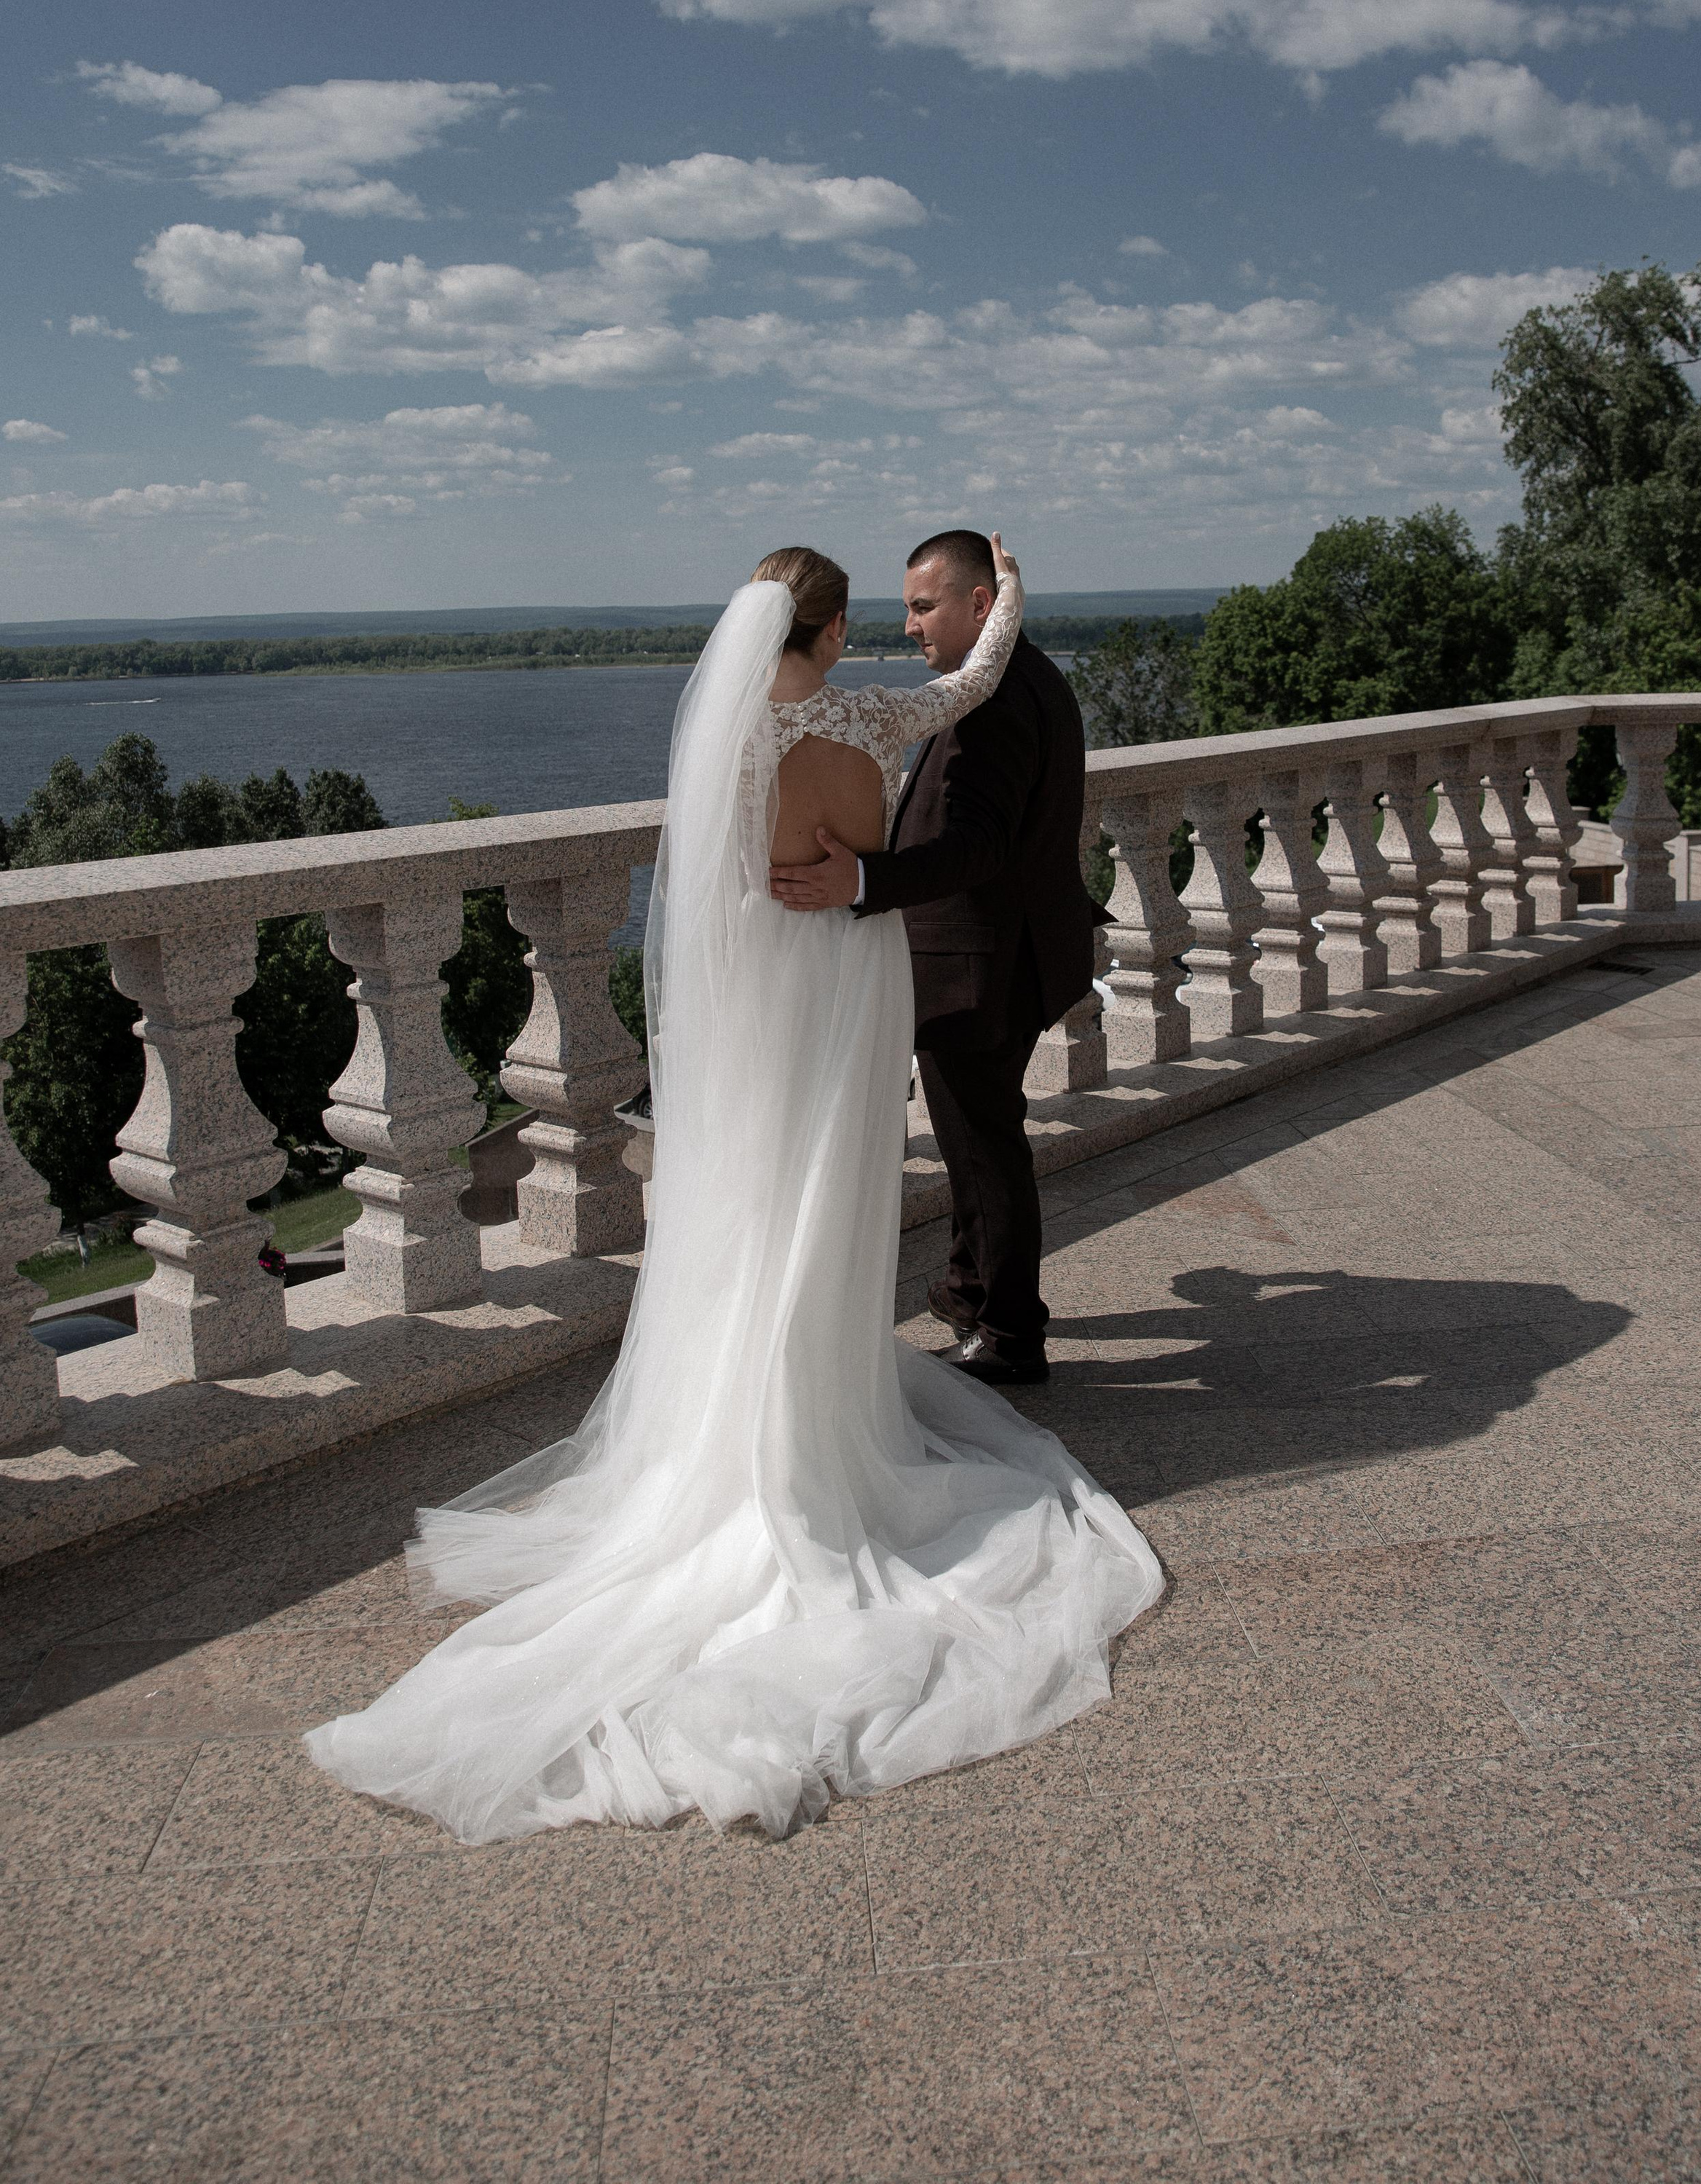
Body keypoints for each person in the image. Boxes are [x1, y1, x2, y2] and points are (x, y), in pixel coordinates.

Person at [303, 536, 1159, 1845]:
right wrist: (1014, 592)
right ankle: (818, 1413)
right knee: (831, 1191)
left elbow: (706, 903)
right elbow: (977, 682)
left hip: (754, 1006)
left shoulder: (728, 748)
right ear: (827, 633)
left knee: (752, 1203)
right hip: (848, 980)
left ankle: (732, 1429)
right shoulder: (873, 719)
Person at [769, 527, 1100, 1386]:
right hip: (989, 955)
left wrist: (863, 881)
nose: (909, 625)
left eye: (923, 606)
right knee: (972, 1141)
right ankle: (967, 1290)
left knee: (985, 1148)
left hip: (981, 964)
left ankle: (1009, 1335)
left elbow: (981, 846)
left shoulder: (993, 699)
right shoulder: (1014, 677)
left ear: (978, 605)